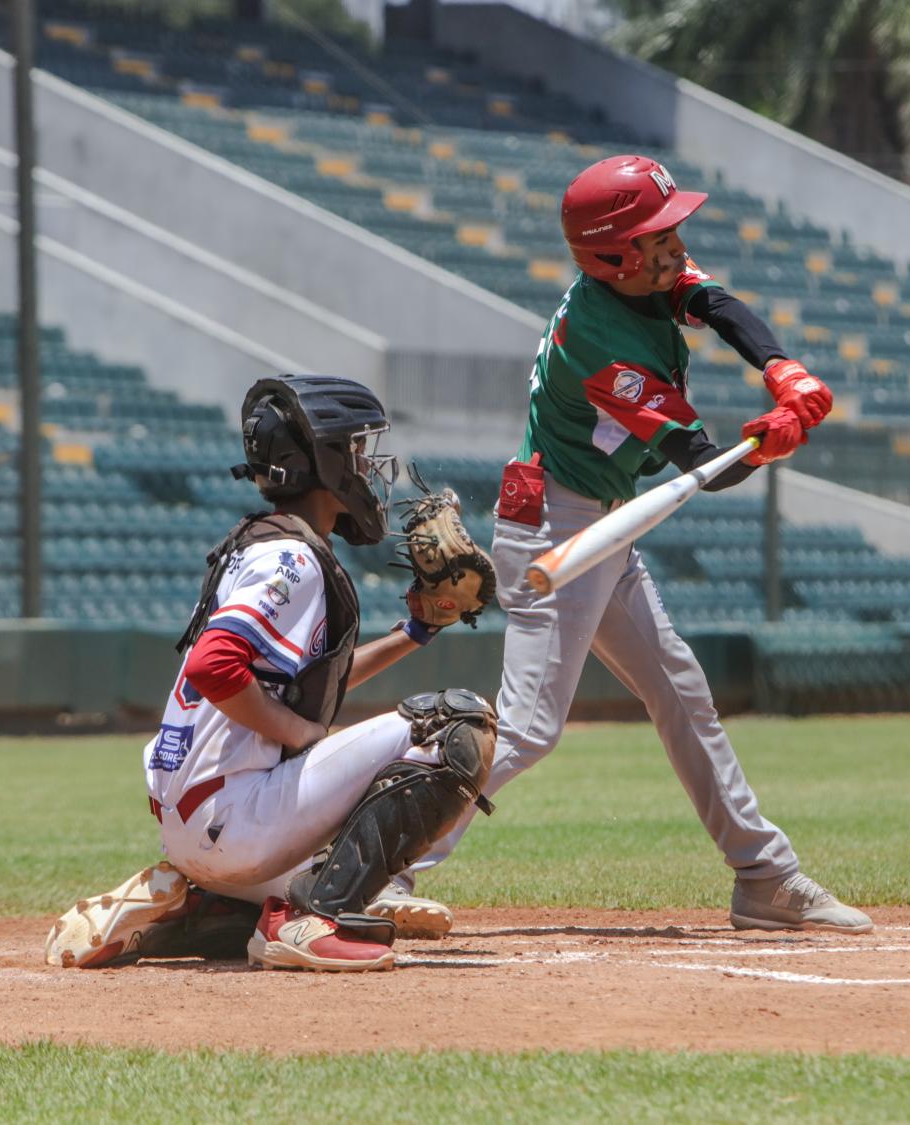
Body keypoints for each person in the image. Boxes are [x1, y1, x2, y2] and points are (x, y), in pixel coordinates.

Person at [368, 155, 872, 939]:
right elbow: (704, 464)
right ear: (610, 256)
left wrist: (783, 370)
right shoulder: (605, 348)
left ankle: (763, 875)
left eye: (671, 232)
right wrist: (771, 439)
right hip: (556, 535)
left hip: (604, 521)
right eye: (653, 238)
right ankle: (371, 866)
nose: (673, 248)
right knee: (530, 728)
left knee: (680, 689)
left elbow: (719, 303)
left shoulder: (638, 277)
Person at [45, 375, 495, 973]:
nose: (367, 465)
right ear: (323, 460)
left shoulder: (266, 546)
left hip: (201, 827)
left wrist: (414, 633)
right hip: (236, 820)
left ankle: (200, 906)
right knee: (457, 726)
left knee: (360, 814)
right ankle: (311, 919)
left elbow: (305, 684)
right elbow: (214, 666)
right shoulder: (295, 559)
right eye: (356, 450)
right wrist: (298, 735)